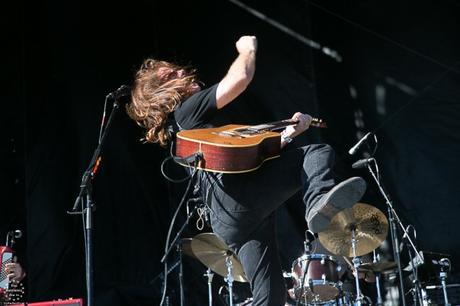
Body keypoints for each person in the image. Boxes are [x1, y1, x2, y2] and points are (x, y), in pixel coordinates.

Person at [126, 35, 366, 306]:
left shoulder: (186, 131)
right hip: (241, 198)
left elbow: (247, 159)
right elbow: (241, 76)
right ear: (163, 93)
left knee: (271, 296)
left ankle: (318, 208)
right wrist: (246, 49)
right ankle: (318, 205)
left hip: (229, 218)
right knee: (317, 153)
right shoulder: (187, 110)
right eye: (171, 74)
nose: (182, 71)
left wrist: (288, 134)